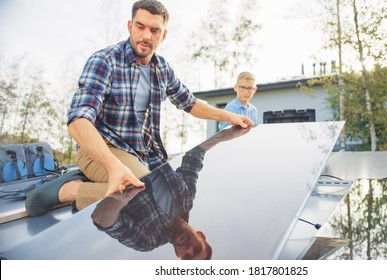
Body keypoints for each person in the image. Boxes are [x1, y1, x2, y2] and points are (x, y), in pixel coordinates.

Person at [25, 0, 252, 217]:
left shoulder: (162, 69)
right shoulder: (105, 61)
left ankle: (96, 180)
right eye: (140, 27)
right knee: (144, 193)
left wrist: (229, 115)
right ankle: (69, 190)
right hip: (101, 149)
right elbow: (78, 120)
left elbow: (189, 103)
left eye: (154, 30)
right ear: (130, 26)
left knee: (172, 195)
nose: (146, 36)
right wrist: (112, 166)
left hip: (142, 153)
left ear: (163, 35)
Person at [91, 125, 250, 260]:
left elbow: (103, 221)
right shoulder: (187, 198)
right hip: (135, 131)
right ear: (201, 235)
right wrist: (224, 135)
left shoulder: (148, 240)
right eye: (196, 249)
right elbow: (195, 155)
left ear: (177, 253)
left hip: (103, 147)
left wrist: (119, 200)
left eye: (187, 257)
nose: (188, 249)